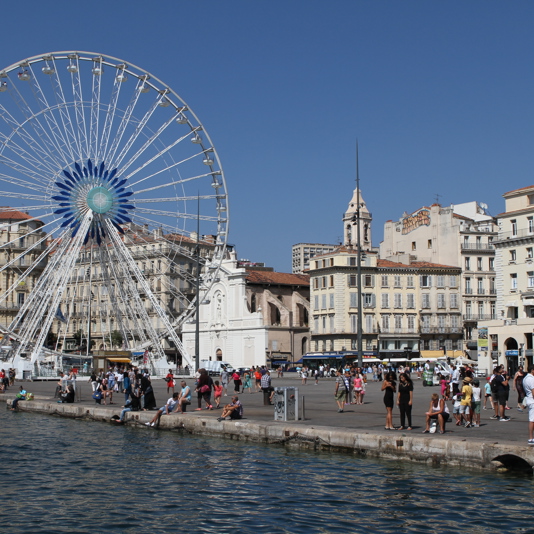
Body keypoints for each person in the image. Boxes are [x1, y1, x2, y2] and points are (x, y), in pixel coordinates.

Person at [522, 366, 534, 445]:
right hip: (532, 401)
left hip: (529, 400)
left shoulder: (525, 378)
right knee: (532, 420)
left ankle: (531, 438)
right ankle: (530, 438)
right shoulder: (531, 379)